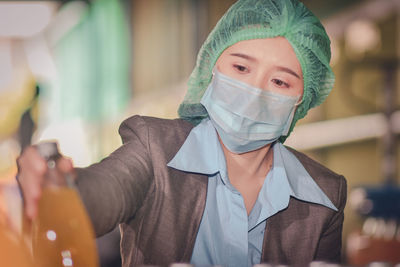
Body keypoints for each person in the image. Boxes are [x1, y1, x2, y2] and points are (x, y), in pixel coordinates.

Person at [17, 0, 347, 266]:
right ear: (211, 67)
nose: (255, 92)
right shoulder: (154, 149)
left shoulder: (325, 195)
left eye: (280, 82)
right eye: (241, 68)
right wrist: (56, 186)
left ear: (302, 101)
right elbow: (100, 192)